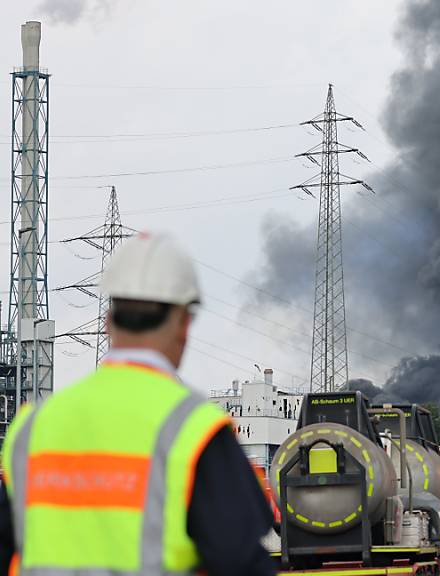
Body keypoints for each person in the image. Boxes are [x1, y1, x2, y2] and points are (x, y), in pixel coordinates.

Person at [0, 233, 276, 575]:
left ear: (107, 322)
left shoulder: (32, 428)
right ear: (183, 324)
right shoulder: (192, 431)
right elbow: (242, 561)